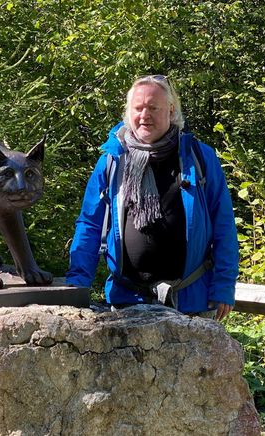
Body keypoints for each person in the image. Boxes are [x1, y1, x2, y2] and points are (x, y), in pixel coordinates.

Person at [66, 75, 239, 322]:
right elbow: (90, 224)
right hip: (127, 300)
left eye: (153, 108)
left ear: (170, 110)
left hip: (192, 300)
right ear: (129, 112)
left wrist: (223, 286)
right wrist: (78, 284)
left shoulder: (199, 157)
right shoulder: (112, 160)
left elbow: (223, 224)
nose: (144, 115)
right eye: (138, 108)